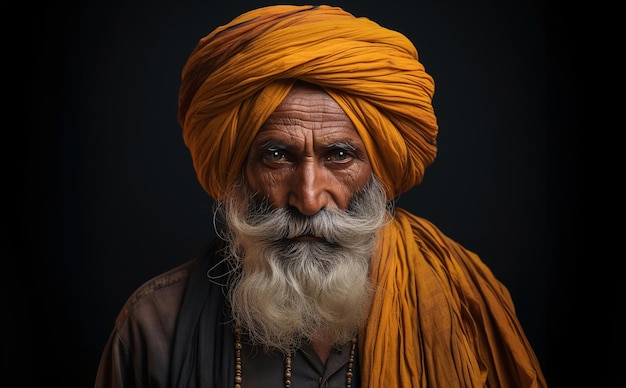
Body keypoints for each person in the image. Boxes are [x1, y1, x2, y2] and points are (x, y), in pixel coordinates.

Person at [94, 4, 547, 387]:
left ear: (378, 169)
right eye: (276, 155)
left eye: (340, 155)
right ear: (239, 170)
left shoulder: (463, 305)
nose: (308, 198)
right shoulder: (154, 327)